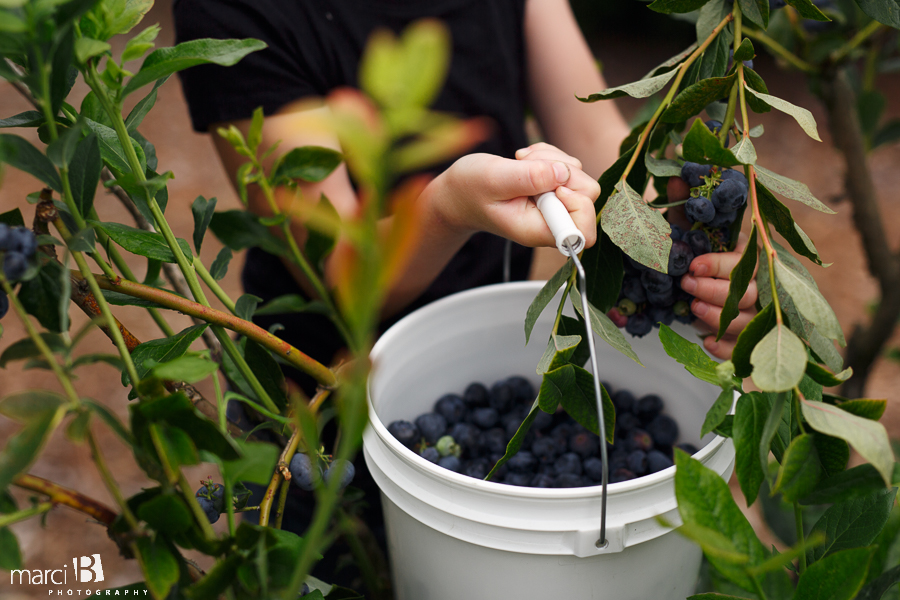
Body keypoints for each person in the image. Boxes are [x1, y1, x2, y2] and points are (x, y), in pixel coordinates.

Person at [173, 0, 757, 586]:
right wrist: (446, 210)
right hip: (310, 410)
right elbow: (339, 267)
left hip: (484, 337)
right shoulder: (236, 13)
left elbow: (593, 134)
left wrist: (674, 249)